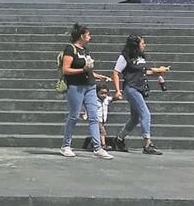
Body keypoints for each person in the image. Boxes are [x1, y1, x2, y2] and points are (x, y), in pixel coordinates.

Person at [60, 23, 113, 159]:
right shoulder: (70, 49)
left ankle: (98, 148)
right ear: (81, 36)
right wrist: (82, 70)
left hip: (90, 86)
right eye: (88, 35)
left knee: (94, 117)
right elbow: (66, 69)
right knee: (74, 116)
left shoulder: (85, 50)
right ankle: (66, 145)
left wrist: (98, 76)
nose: (90, 37)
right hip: (75, 86)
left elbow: (88, 70)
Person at [112, 34, 169, 155]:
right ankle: (147, 144)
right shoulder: (125, 57)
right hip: (131, 88)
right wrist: (118, 90)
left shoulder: (141, 57)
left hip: (140, 88)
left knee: (135, 118)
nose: (144, 45)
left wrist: (159, 71)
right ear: (135, 45)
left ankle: (119, 139)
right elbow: (116, 72)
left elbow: (144, 72)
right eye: (142, 43)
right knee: (145, 114)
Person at [81, 83, 113, 151]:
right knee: (103, 132)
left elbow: (113, 99)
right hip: (96, 119)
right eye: (102, 93)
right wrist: (86, 113)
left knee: (98, 133)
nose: (104, 95)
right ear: (97, 93)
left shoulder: (106, 99)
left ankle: (92, 143)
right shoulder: (94, 100)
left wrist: (117, 96)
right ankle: (103, 145)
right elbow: (88, 106)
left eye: (106, 93)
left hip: (103, 119)